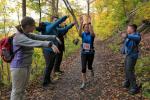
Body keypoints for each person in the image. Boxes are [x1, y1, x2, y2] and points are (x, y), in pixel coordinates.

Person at [10, 16, 59, 100]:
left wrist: (53, 37)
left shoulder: (26, 34)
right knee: (17, 91)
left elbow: (38, 37)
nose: (35, 27)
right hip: (18, 67)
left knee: (22, 90)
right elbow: (34, 42)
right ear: (28, 26)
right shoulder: (19, 37)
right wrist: (50, 44)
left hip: (26, 65)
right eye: (33, 25)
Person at [36, 16, 75, 86]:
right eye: (54, 21)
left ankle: (48, 80)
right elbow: (57, 22)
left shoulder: (55, 29)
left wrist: (71, 25)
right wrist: (65, 17)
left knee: (50, 65)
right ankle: (45, 82)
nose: (55, 22)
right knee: (49, 66)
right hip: (47, 50)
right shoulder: (48, 28)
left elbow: (64, 29)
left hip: (53, 49)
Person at [121, 24, 141, 95]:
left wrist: (127, 35)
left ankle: (134, 87)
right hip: (128, 55)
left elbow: (137, 38)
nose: (127, 29)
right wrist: (123, 51)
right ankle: (127, 82)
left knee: (130, 70)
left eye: (128, 28)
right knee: (126, 69)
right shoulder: (129, 36)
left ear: (132, 29)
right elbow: (126, 44)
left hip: (132, 56)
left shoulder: (136, 35)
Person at [78, 16, 95, 89]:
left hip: (91, 53)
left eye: (88, 28)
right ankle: (84, 82)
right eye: (85, 28)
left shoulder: (92, 35)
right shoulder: (82, 34)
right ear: (83, 29)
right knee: (83, 68)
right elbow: (79, 32)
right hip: (84, 53)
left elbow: (92, 32)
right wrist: (81, 23)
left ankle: (91, 69)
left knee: (89, 66)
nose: (86, 28)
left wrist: (89, 22)